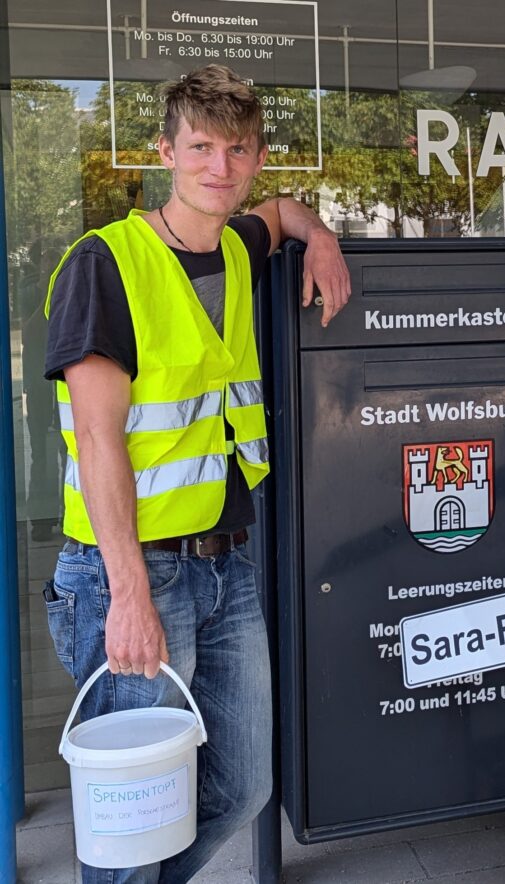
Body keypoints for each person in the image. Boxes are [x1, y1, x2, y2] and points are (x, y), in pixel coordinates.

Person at [42, 65, 351, 883]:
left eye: (238, 150)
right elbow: (100, 443)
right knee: (132, 811)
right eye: (202, 147)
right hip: (133, 573)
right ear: (165, 152)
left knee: (244, 783)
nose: (220, 166)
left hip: (228, 567)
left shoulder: (240, 248)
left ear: (255, 159)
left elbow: (280, 217)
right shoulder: (106, 265)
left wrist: (317, 234)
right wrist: (130, 592)